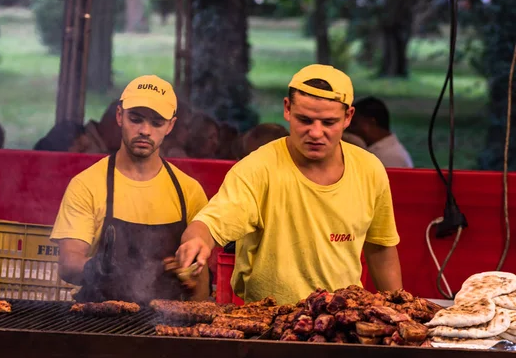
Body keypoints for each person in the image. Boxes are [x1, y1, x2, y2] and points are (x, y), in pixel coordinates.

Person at [175, 64, 402, 305]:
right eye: (305, 120)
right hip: (269, 324)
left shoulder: (370, 169)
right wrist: (196, 241)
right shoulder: (257, 169)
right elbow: (209, 224)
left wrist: (401, 312)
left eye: (328, 123)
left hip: (342, 323)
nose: (315, 133)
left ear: (348, 117)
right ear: (287, 109)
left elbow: (381, 250)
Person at [50, 75, 210, 304]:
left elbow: (200, 280)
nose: (145, 130)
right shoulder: (86, 185)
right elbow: (68, 264)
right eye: (136, 119)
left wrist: (192, 285)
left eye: (157, 123)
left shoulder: (189, 191)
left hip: (166, 326)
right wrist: (98, 267)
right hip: (99, 324)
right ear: (119, 116)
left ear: (170, 126)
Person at [346, 96, 414, 168]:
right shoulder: (384, 151)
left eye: (354, 124)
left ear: (372, 122)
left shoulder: (391, 156)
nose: (349, 128)